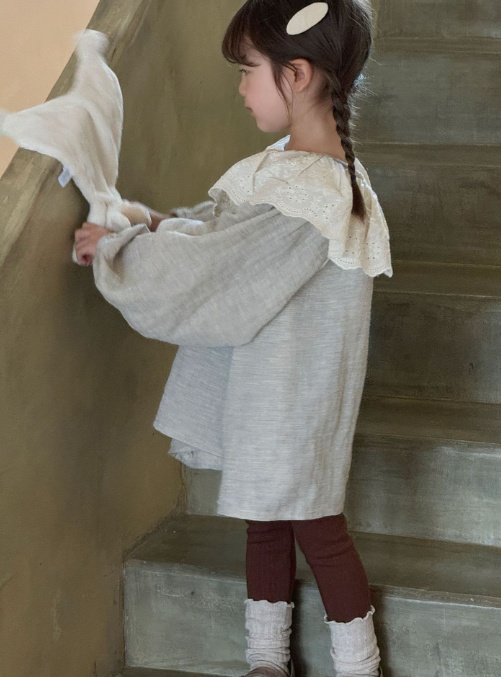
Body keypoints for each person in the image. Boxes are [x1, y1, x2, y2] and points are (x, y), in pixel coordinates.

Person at [74, 1, 391, 675]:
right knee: (262, 519)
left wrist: (123, 249)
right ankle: (266, 659)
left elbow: (219, 267)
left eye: (248, 70)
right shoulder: (286, 170)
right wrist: (148, 222)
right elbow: (223, 238)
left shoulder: (319, 194)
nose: (241, 87)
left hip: (296, 399)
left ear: (296, 75)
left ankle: (359, 665)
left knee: (318, 528)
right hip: (267, 389)